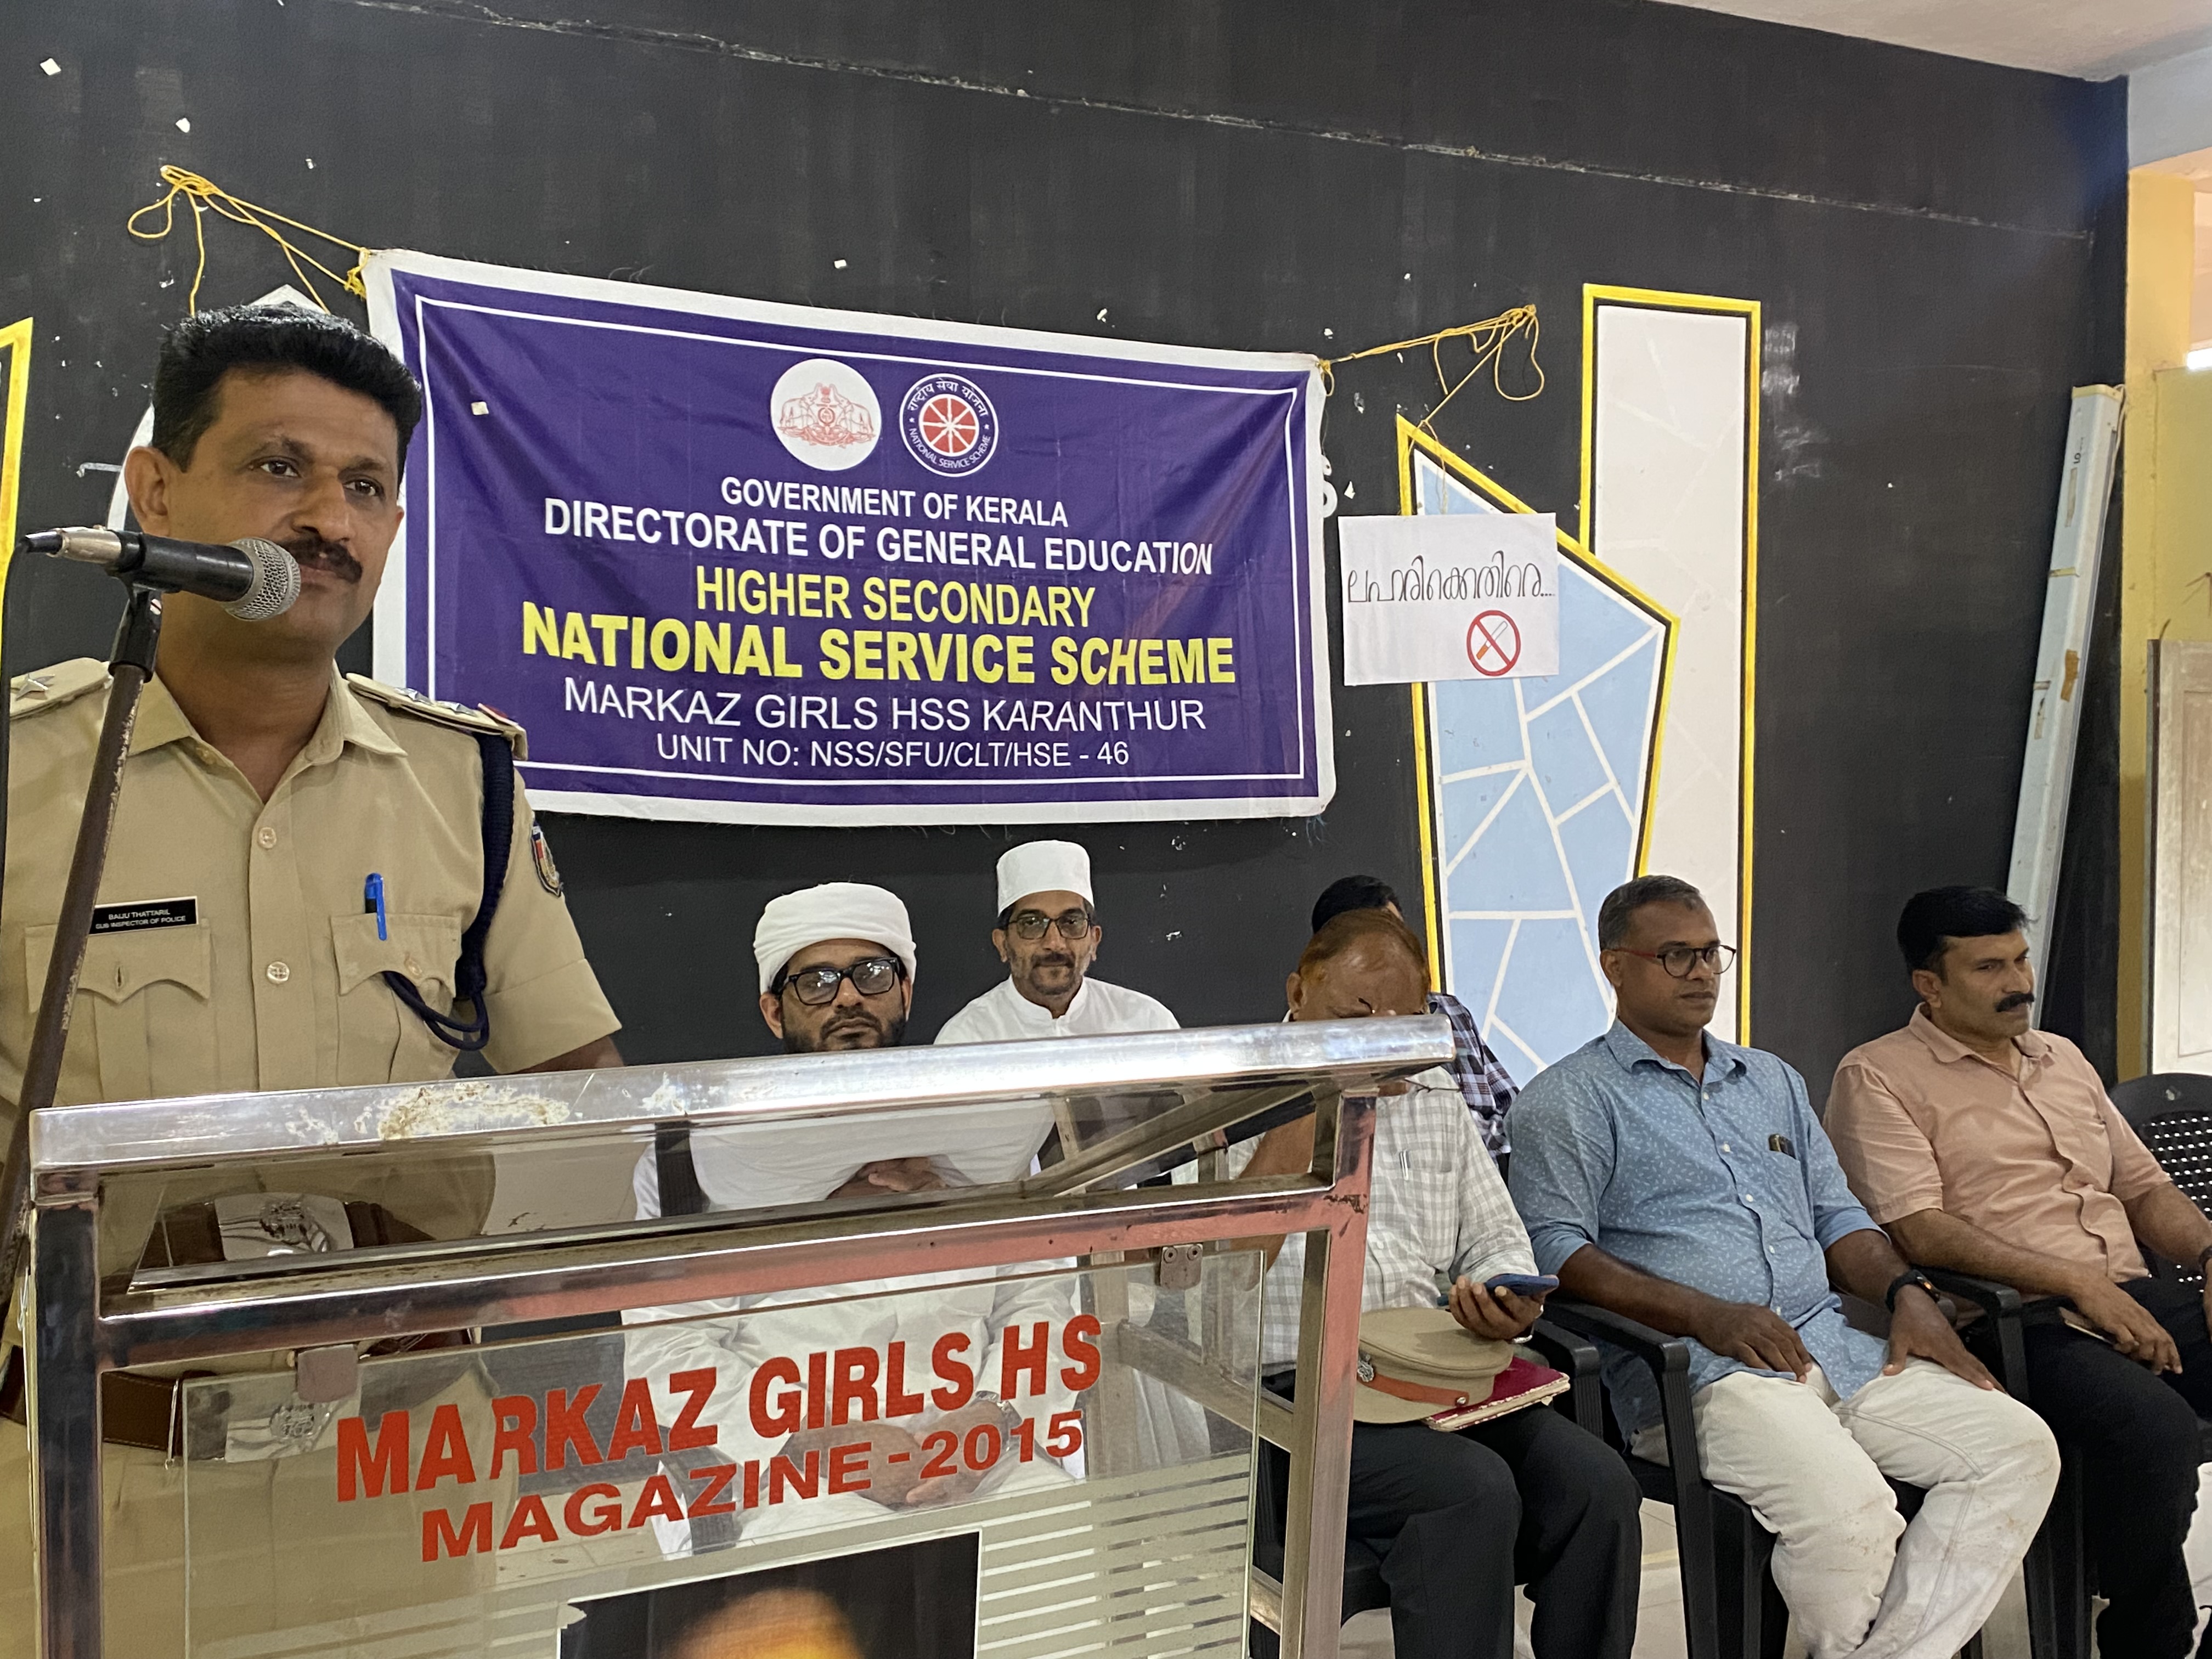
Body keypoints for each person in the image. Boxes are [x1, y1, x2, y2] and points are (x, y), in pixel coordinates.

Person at [0, 304, 623, 1656]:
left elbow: (586, 1106)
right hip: (89, 1492)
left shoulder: (465, 785)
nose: (329, 522)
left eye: (367, 487)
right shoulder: (23, 775)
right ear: (156, 491)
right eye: (278, 467)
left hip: (407, 1484)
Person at [1508, 874, 2058, 1659]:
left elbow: (1838, 1216)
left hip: (1830, 1347)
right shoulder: (1568, 1099)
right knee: (1853, 1515)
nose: (1702, 972)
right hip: (1698, 1374)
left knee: (2018, 1448)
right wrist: (1706, 1315)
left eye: (1712, 953)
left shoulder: (1769, 1080)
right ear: (1615, 967)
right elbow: (1558, 1254)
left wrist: (1904, 1290)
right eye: (1676, 956)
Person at [1236, 907, 1641, 1659]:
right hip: (1296, 1396)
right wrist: (1311, 1100)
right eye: (1355, 1016)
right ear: (1297, 991)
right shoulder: (1234, 1095)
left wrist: (1500, 1300)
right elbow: (1221, 1276)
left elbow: (1495, 1239)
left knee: (1598, 1485)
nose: (1379, 1040)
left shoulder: (1434, 1096)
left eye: (1402, 1022)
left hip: (1428, 1376)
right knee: (1470, 1491)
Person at [1827, 885, 2212, 1658]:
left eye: (2021, 960)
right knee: (2154, 1433)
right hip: (2014, 1324)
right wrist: (2075, 1282)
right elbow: (1919, 1228)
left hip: (2128, 1294)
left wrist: (2209, 1253)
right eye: (1990, 968)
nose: (2019, 984)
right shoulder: (1878, 1075)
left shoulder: (2061, 1057)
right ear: (1930, 985)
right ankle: (2150, 1643)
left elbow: (2144, 1190)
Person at [627, 883, 1077, 1540]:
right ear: (774, 1012)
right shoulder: (699, 1160)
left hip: (979, 1458)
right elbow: (665, 1353)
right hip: (786, 1479)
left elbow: (1037, 1298)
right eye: (815, 982)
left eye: (871, 975)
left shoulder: (985, 1132)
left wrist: (995, 1412)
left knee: (1060, 1537)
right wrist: (817, 1443)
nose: (847, 998)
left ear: (906, 992)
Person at [1310, 874, 1517, 1157]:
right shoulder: (1321, 1036)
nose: (1395, 951)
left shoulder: (1449, 1010)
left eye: (1400, 935)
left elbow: (1514, 1108)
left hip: (1499, 1167)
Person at [934, 840, 1175, 1044]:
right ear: (1002, 944)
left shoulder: (1148, 1024)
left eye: (1071, 922)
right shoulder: (966, 1038)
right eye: (1031, 923)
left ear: (1094, 940)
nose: (1054, 943)